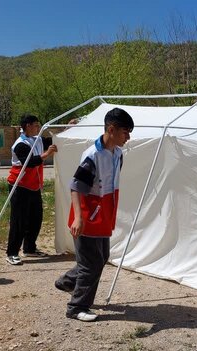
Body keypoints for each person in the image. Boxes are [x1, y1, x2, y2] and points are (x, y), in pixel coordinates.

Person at [55, 107, 134, 322]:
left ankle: (68, 282)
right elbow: (76, 187)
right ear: (111, 129)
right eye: (125, 132)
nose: (128, 137)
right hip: (87, 216)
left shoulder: (118, 153)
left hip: (104, 215)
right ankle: (76, 307)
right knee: (91, 264)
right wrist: (79, 218)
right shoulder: (92, 155)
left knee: (101, 258)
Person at [5, 114, 57, 265]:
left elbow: (54, 141)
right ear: (28, 126)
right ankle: (12, 252)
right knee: (19, 220)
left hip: (34, 185)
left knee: (35, 218)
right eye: (36, 125)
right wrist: (47, 154)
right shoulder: (20, 144)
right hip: (19, 185)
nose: (38, 128)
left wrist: (69, 127)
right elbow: (30, 162)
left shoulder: (38, 139)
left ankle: (29, 248)